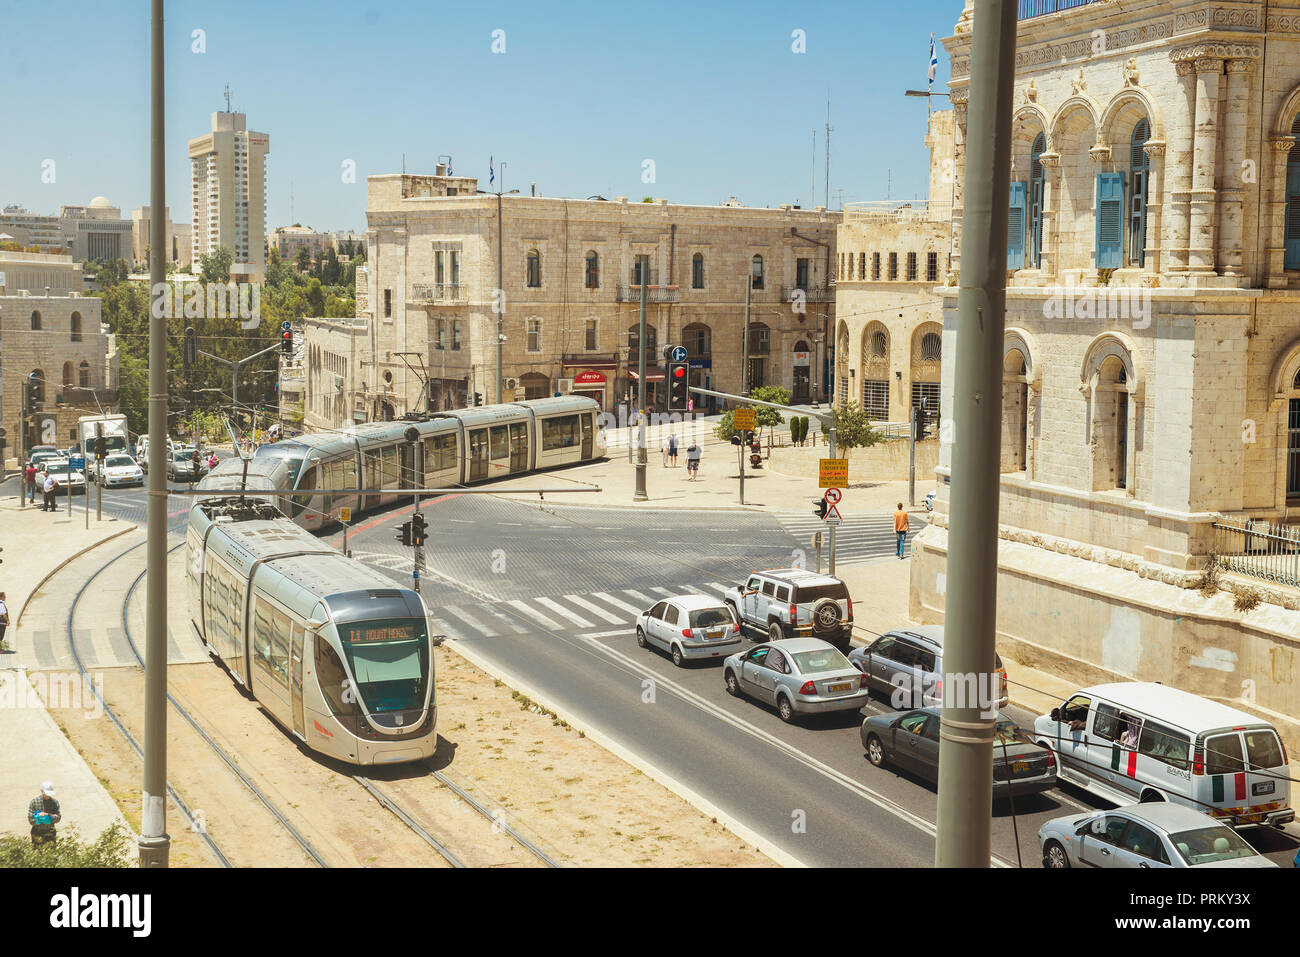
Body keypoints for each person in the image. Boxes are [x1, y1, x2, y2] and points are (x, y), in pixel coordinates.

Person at [28, 781, 61, 847]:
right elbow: (30, 819)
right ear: (41, 791)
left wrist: (48, 816)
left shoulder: (54, 802)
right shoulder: (34, 802)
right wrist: (38, 818)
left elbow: (58, 818)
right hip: (37, 832)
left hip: (50, 832)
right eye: (46, 793)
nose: (47, 796)